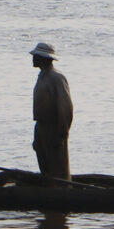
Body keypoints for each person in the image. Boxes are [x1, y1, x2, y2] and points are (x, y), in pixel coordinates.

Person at [30, 41, 74, 182]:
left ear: (43, 58)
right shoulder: (42, 76)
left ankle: (62, 193)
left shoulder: (56, 78)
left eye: (36, 56)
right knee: (45, 167)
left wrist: (61, 134)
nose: (33, 58)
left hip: (53, 128)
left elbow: (65, 107)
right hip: (41, 126)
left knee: (58, 169)